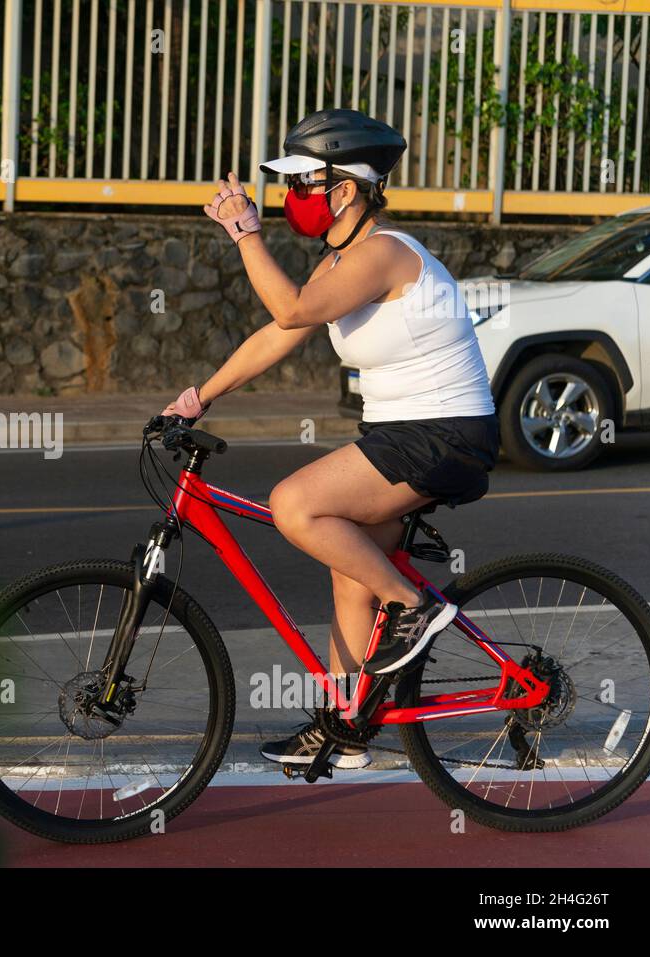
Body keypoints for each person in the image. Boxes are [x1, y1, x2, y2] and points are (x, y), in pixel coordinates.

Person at [162, 109, 499, 770]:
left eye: (304, 184)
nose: (293, 199)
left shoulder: (385, 252)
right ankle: (348, 729)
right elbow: (278, 334)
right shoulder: (344, 260)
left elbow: (289, 308)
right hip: (406, 432)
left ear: (344, 190)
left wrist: (245, 236)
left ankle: (412, 607)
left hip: (442, 434)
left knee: (295, 502)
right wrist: (199, 396)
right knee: (350, 576)